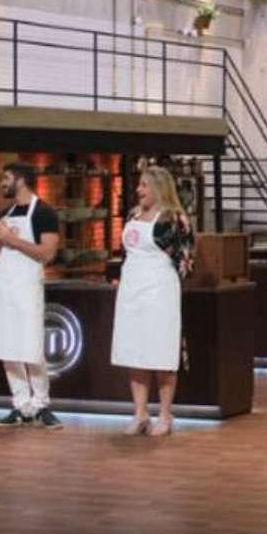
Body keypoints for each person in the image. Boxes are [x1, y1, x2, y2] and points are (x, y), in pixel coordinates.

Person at [111, 167, 194, 437]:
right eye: (139, 185)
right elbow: (126, 255)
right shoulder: (133, 216)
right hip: (131, 291)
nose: (139, 190)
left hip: (160, 292)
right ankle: (140, 414)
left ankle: (165, 415)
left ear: (159, 188)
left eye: (144, 185)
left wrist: (168, 283)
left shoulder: (174, 220)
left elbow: (186, 260)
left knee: (161, 352)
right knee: (135, 351)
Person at [0, 162, 63, 429]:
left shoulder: (44, 213)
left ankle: (41, 404)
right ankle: (21, 404)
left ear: (21, 180)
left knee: (31, 346)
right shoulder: (4, 214)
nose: (3, 183)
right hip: (3, 287)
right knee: (7, 346)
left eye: (7, 178)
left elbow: (47, 254)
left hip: (27, 287)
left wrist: (12, 239)